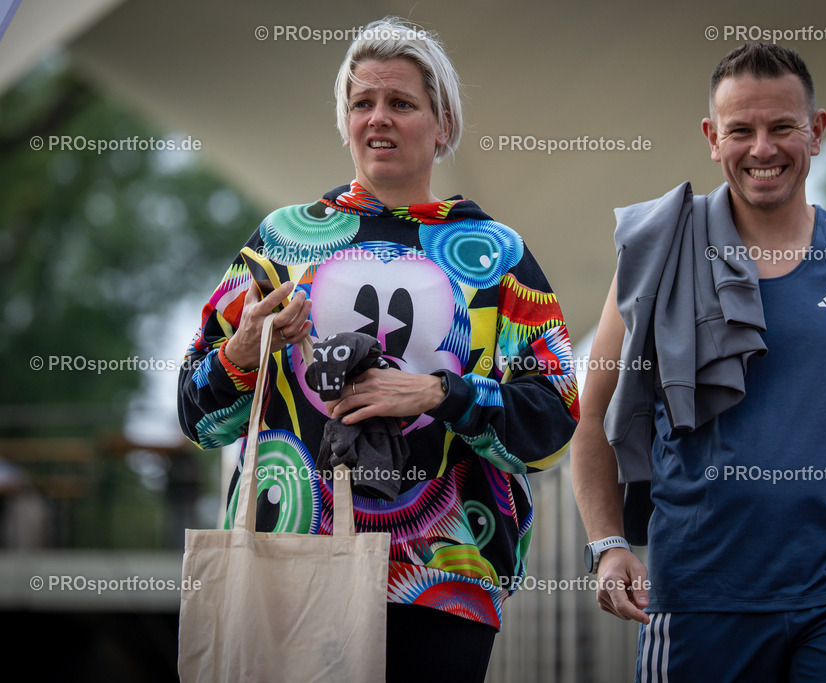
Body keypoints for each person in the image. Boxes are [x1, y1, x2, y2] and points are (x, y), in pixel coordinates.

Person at [571, 42, 826, 682]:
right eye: (741, 130)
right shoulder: (658, 258)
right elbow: (593, 416)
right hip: (699, 599)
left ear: (816, 131)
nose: (762, 149)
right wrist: (607, 546)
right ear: (713, 138)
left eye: (782, 127)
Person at [177, 17, 579, 681]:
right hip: (291, 565)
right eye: (362, 102)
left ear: (443, 124)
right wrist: (240, 353)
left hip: (444, 576)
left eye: (401, 102)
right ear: (344, 123)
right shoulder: (280, 243)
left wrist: (440, 393)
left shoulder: (497, 256)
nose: (378, 118)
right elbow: (198, 419)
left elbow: (554, 424)